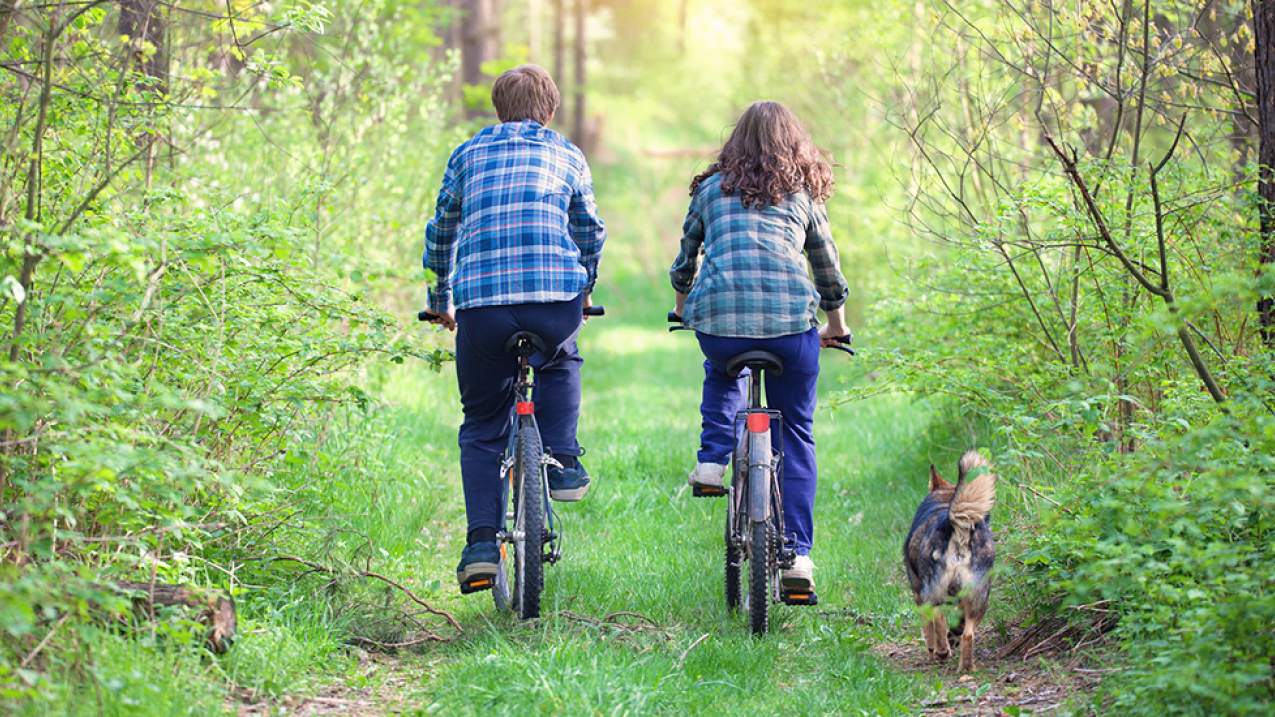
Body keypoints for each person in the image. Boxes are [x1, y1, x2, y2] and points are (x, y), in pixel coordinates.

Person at [422, 64, 606, 594]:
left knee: (482, 423)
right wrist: (585, 287)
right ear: (549, 110)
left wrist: (440, 302)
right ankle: (564, 461)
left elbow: (441, 233)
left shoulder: (467, 154)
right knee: (562, 354)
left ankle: (481, 544)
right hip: (554, 304)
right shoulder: (567, 153)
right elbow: (589, 230)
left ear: (498, 109)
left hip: (483, 308)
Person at [669, 100, 849, 594]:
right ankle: (798, 560)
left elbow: (686, 258)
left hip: (721, 327)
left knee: (724, 369)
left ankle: (712, 459)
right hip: (792, 328)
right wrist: (837, 325)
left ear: (736, 143)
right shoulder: (804, 195)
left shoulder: (711, 190)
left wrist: (683, 310)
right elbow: (827, 270)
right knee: (796, 433)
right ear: (795, 144)